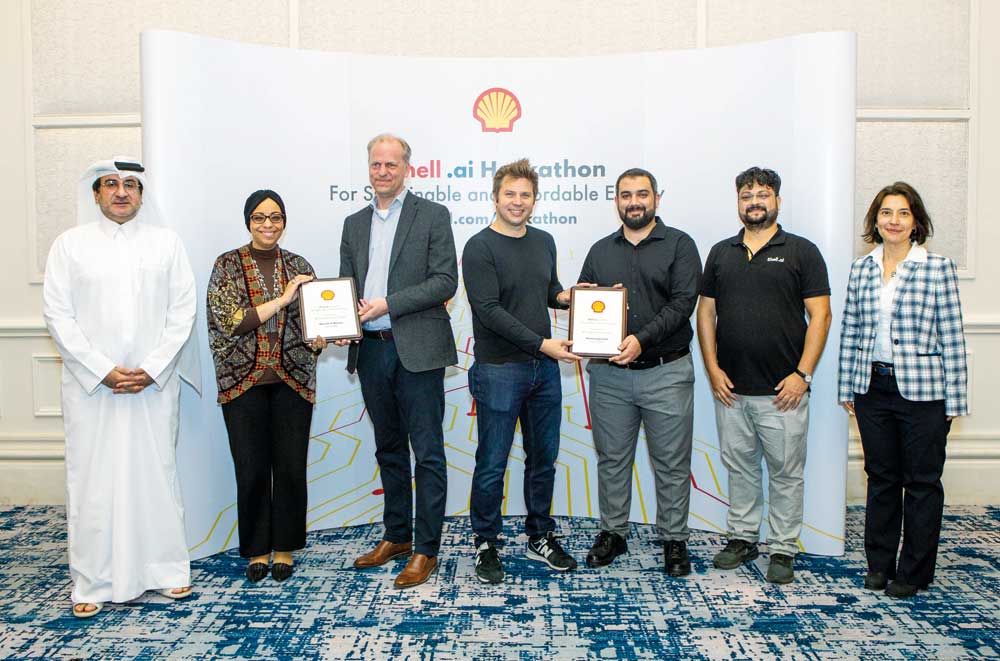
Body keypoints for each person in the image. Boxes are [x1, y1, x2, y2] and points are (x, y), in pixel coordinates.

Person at [43, 157, 198, 618]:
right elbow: (57, 315)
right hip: (93, 389)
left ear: (142, 194)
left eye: (130, 185)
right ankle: (91, 580)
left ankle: (167, 571)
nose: (121, 192)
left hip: (151, 387)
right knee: (92, 482)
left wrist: (150, 368)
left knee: (156, 475)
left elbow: (182, 311)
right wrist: (100, 369)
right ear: (95, 194)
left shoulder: (166, 244)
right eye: (110, 185)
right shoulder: (69, 246)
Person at [696, 166, 831, 584]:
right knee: (740, 469)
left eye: (763, 194)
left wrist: (802, 375)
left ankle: (784, 547)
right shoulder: (721, 252)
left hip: (783, 392)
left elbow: (821, 314)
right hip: (731, 389)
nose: (754, 201)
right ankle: (742, 537)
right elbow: (705, 311)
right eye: (746, 195)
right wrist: (713, 368)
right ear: (738, 202)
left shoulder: (802, 251)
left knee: (786, 473)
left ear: (777, 201)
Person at [339, 134, 458, 589]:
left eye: (391, 164)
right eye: (375, 164)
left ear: (408, 167)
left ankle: (427, 548)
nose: (383, 171)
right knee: (388, 448)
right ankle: (397, 536)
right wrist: (335, 316)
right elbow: (346, 287)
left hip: (417, 350)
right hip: (370, 350)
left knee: (427, 453)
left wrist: (388, 303)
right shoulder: (352, 223)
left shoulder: (433, 215)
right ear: (367, 169)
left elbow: (445, 280)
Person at [838, 182, 967, 598]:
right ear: (875, 220)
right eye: (886, 213)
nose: (894, 221)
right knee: (881, 478)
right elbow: (852, 330)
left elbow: (952, 336)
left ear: (916, 221)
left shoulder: (936, 267)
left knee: (923, 482)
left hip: (924, 392)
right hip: (873, 387)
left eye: (903, 213)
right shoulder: (862, 268)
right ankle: (879, 564)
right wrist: (847, 387)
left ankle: (914, 572)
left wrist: (955, 399)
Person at [576, 168, 702, 576]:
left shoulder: (680, 245)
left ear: (656, 199)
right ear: (616, 200)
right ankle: (613, 532)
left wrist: (641, 340)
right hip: (610, 376)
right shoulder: (600, 250)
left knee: (671, 461)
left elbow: (683, 303)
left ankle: (674, 539)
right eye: (626, 194)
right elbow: (586, 299)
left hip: (666, 371)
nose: (634, 201)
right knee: (611, 458)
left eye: (642, 194)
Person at [462, 158, 580, 584]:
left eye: (525, 195)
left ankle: (539, 535)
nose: (517, 201)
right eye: (510, 194)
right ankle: (486, 541)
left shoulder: (544, 240)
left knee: (543, 459)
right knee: (492, 462)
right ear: (495, 198)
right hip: (499, 371)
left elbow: (546, 290)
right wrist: (542, 343)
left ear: (534, 200)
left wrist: (570, 298)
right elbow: (489, 311)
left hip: (544, 370)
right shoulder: (479, 247)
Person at [206, 190, 326, 583]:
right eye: (259, 217)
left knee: (290, 468)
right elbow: (233, 321)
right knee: (251, 469)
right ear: (248, 222)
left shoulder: (299, 264)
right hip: (243, 382)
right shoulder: (226, 265)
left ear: (284, 221)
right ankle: (257, 549)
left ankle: (286, 548)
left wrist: (321, 337)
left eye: (275, 217)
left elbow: (313, 321)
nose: (268, 224)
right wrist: (284, 298)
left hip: (293, 380)